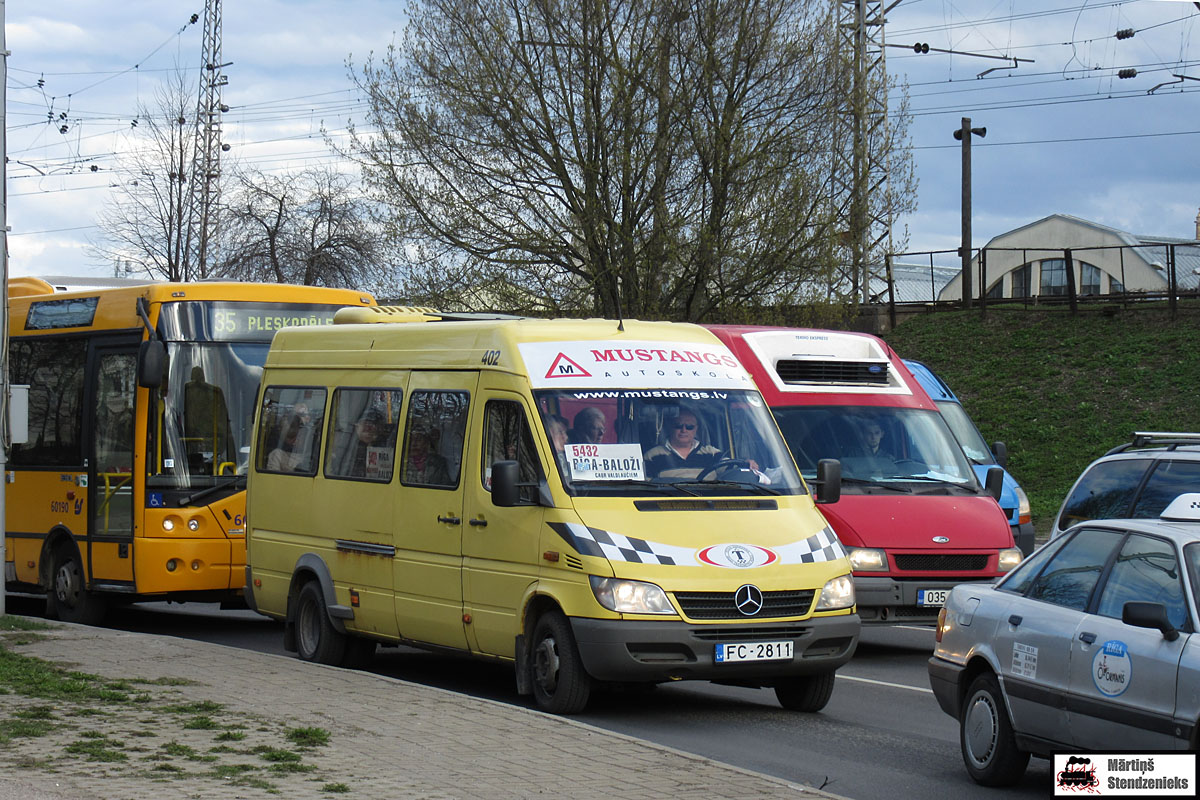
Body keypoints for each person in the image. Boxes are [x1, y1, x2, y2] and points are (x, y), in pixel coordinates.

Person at [644, 411, 724, 480]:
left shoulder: (712, 453)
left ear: (696, 429)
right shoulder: (652, 456)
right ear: (670, 427)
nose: (684, 430)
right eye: (678, 426)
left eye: (689, 427)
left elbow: (733, 472)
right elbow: (645, 489)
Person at [349, 408, 390, 478]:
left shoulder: (388, 447)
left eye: (373, 424)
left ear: (380, 428)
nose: (368, 428)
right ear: (356, 426)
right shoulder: (347, 447)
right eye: (365, 423)